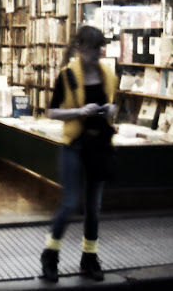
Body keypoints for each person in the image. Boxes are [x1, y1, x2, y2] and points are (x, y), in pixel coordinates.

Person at [40, 25, 118, 282]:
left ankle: (90, 258)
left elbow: (114, 106)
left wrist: (110, 109)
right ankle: (50, 255)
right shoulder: (67, 76)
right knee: (71, 202)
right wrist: (80, 111)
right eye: (95, 47)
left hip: (99, 146)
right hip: (74, 145)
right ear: (81, 48)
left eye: (101, 47)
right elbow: (52, 112)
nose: (99, 52)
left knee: (94, 207)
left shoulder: (108, 75)